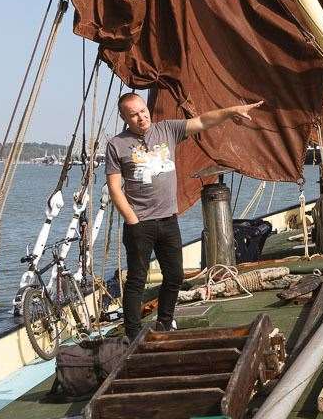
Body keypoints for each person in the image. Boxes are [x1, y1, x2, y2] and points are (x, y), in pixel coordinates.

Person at [105, 91, 262, 336]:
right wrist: (133, 221)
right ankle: (133, 334)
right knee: (136, 280)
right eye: (134, 115)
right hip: (140, 224)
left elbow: (201, 121)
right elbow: (115, 188)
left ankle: (165, 322)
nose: (141, 117)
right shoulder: (116, 145)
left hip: (168, 220)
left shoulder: (167, 129)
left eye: (143, 111)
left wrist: (232, 111)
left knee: (175, 276)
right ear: (125, 117)